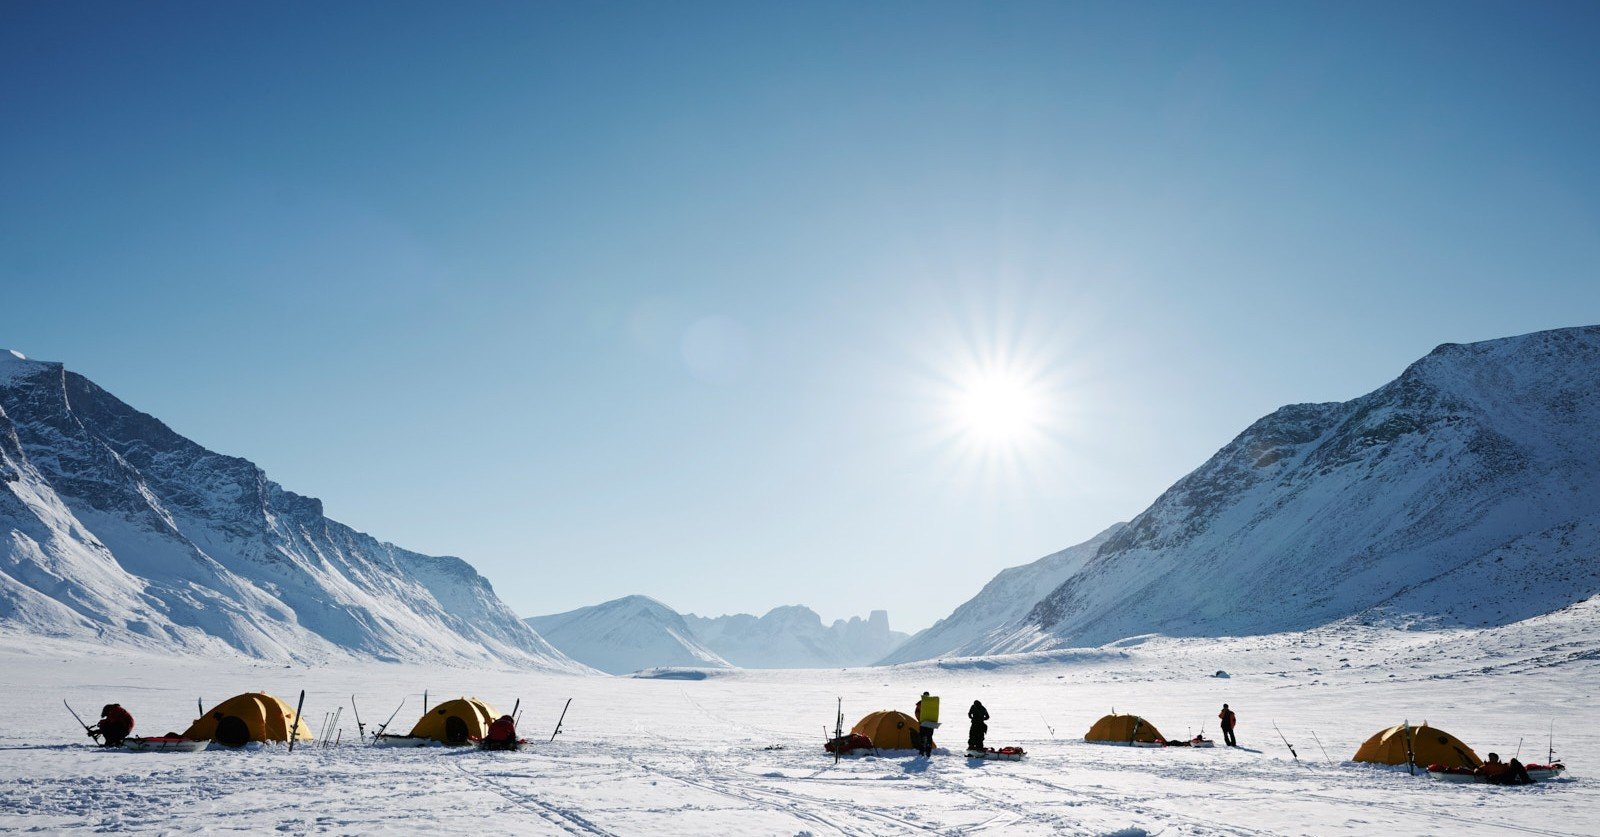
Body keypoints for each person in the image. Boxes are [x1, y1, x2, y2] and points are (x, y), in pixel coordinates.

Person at [914, 692, 938, 757]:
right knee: (929, 737)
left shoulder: (920, 704)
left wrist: (920, 720)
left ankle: (922, 751)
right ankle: (928, 752)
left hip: (923, 723)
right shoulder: (932, 703)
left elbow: (916, 713)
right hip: (931, 723)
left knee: (922, 737)